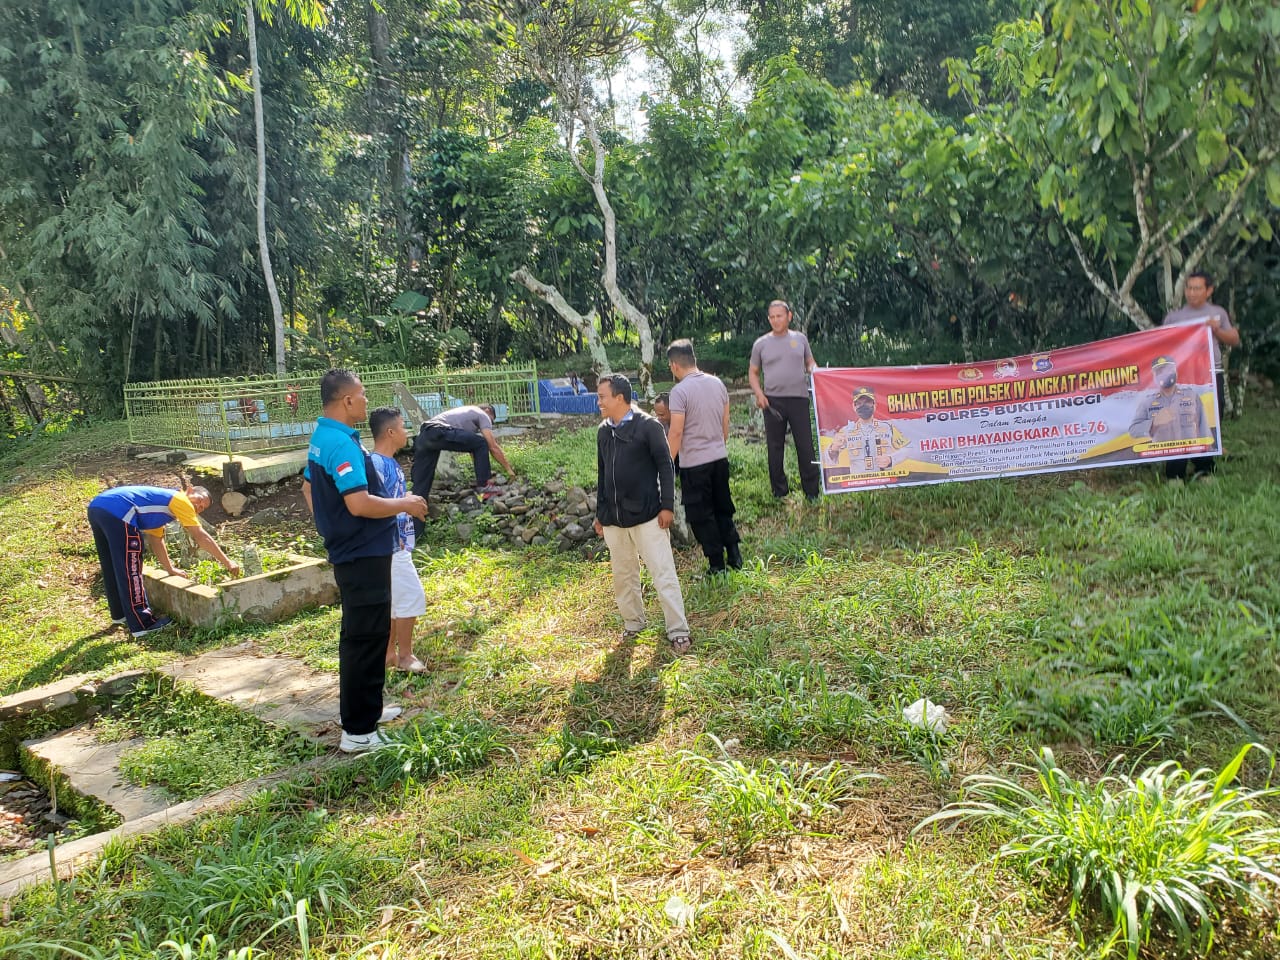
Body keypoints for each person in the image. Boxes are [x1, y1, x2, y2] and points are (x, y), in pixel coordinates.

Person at [301, 370, 428, 753]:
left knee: (361, 637)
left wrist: (330, 528)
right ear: (347, 402)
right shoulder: (339, 443)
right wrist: (404, 503)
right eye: (362, 395)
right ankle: (359, 733)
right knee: (366, 637)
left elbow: (309, 486)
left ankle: (362, 711)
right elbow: (358, 503)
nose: (366, 401)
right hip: (362, 554)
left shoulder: (325, 437)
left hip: (354, 550)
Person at [593, 374, 691, 654]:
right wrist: (601, 513)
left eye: (602, 396)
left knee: (663, 572)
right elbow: (603, 475)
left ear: (619, 398)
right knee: (623, 575)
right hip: (614, 519)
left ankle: (678, 630)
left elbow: (665, 466)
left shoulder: (647, 426)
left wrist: (667, 506)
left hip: (648, 515)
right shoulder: (603, 431)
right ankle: (633, 624)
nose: (598, 401)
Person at [87, 484, 240, 638]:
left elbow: (156, 540)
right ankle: (143, 623)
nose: (198, 506)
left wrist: (170, 569)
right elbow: (201, 536)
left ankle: (120, 614)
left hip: (98, 507)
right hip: (119, 511)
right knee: (131, 569)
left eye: (202, 508)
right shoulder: (181, 499)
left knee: (112, 565)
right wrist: (228, 562)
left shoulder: (161, 506)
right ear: (190, 490)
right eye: (200, 500)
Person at [666, 339, 742, 576]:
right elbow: (725, 425)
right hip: (719, 458)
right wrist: (717, 445)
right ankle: (735, 554)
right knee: (722, 507)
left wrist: (667, 461)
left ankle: (717, 564)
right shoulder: (717, 383)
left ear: (674, 366)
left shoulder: (679, 392)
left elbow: (676, 431)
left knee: (701, 515)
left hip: (695, 465)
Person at [1160, 271, 1240, 479]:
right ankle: (1175, 473)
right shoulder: (1174, 317)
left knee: (1209, 419)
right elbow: (1160, 344)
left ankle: (1204, 469)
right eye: (1189, 288)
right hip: (1181, 377)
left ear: (1209, 290)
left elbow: (1233, 339)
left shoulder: (1217, 313)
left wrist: (1216, 331)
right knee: (1177, 421)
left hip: (1210, 375)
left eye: (1197, 288)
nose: (1192, 293)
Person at [369, 407, 428, 674]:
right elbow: (377, 505)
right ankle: (404, 655)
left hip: (396, 542)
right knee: (411, 596)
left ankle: (389, 655)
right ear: (391, 432)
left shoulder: (389, 462)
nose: (407, 432)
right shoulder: (377, 464)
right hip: (391, 543)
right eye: (403, 427)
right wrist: (407, 505)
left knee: (395, 601)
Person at [748, 300, 821, 501]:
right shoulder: (760, 344)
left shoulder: (800, 339)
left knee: (805, 446)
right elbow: (753, 373)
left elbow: (809, 362)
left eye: (779, 316)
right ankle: (779, 491)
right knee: (775, 446)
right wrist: (759, 394)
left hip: (798, 400)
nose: (775, 320)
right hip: (772, 402)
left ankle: (812, 491)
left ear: (789, 316)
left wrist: (817, 372)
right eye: (771, 317)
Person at [411, 404, 516, 501]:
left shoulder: (465, 415)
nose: (489, 425)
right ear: (487, 410)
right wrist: (508, 469)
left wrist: (482, 470)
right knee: (482, 443)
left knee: (422, 481)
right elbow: (492, 446)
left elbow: (472, 449)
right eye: (491, 421)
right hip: (440, 431)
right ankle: (485, 488)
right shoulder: (482, 414)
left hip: (424, 435)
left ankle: (416, 505)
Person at [1129, 356, 1212, 470]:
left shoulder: (1191, 395)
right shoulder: (1147, 402)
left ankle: (1204, 470)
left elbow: (1203, 425)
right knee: (1175, 483)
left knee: (1208, 478)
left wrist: (1209, 449)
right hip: (1167, 453)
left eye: (1168, 370)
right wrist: (1154, 423)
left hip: (1195, 447)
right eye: (1160, 372)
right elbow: (1133, 430)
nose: (1165, 374)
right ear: (1154, 377)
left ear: (1176, 373)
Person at [823, 387, 910, 472]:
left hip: (884, 480)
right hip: (858, 483)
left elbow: (908, 449)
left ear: (874, 405)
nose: (863, 406)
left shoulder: (888, 427)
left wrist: (891, 459)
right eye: (859, 403)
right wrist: (834, 448)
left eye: (867, 402)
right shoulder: (846, 431)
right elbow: (828, 461)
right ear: (854, 406)